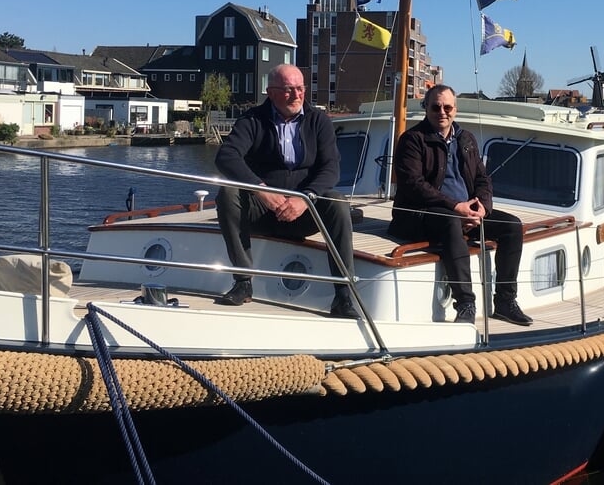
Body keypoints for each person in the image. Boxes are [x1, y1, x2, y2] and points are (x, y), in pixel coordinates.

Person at [213, 64, 358, 319]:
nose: (296, 95)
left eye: (300, 88)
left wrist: (306, 198)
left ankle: (343, 295)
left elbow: (331, 167)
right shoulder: (252, 120)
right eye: (288, 90)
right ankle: (243, 282)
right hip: (264, 211)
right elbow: (226, 156)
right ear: (271, 92)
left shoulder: (318, 121)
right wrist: (261, 191)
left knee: (337, 203)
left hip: (304, 210)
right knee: (228, 193)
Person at [388, 85, 532, 326]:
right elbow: (415, 185)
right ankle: (465, 303)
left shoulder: (466, 139)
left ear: (455, 109)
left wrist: (482, 208)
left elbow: (481, 178)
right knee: (450, 222)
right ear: (426, 108)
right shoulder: (413, 140)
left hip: (464, 211)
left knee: (512, 226)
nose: (442, 112)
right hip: (420, 215)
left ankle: (505, 302)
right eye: (435, 107)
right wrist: (457, 207)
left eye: (447, 107)